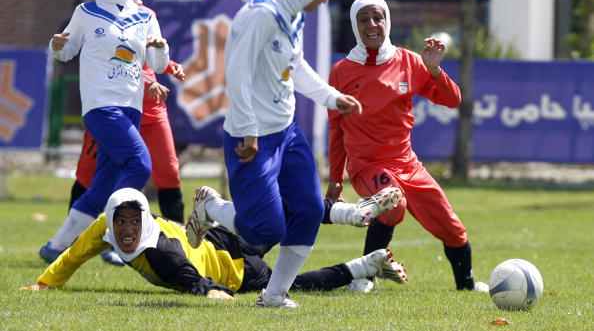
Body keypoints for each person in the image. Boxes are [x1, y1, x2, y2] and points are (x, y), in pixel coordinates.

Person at [185, 0, 363, 308]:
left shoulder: (292, 12)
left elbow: (294, 65)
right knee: (265, 229)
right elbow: (237, 73)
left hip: (287, 131)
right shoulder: (260, 16)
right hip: (251, 137)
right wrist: (249, 130)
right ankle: (211, 208)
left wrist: (331, 97)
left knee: (310, 210)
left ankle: (274, 295)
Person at [325, 0, 488, 293]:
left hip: (408, 165)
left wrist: (435, 70)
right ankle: (364, 278)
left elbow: (453, 100)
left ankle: (466, 287)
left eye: (378, 18)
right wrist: (335, 180)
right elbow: (336, 132)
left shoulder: (410, 61)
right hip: (367, 167)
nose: (372, 25)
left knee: (452, 228)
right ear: (354, 25)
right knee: (392, 204)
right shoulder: (341, 71)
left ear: (388, 21)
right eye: (364, 19)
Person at [22, 188, 407, 300]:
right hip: (220, 247)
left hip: (232, 266)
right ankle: (364, 255)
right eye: (120, 221)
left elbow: (189, 277)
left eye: (133, 220)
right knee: (274, 219)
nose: (124, 229)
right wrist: (44, 283)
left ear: (144, 217)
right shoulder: (105, 224)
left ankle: (355, 229)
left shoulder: (158, 252)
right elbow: (73, 255)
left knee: (290, 282)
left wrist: (211, 294)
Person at [39, 0, 171, 266]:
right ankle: (112, 235)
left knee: (103, 184)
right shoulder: (87, 12)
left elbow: (157, 61)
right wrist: (57, 45)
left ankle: (56, 247)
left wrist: (161, 49)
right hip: (101, 107)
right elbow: (65, 52)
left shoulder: (145, 17)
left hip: (131, 107)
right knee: (140, 164)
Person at [68, 0, 187, 226]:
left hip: (151, 109)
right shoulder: (98, 14)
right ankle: (73, 238)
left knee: (167, 172)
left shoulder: (147, 15)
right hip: (112, 106)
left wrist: (170, 67)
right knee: (88, 173)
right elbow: (112, 60)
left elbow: (151, 58)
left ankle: (178, 241)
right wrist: (149, 82)